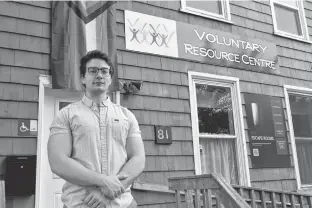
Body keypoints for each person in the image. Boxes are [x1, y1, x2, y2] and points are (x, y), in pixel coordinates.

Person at [47, 50, 145, 208]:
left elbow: (138, 159)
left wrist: (107, 192)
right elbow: (58, 162)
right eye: (92, 71)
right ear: (83, 78)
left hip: (123, 204)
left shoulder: (127, 116)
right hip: (81, 204)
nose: (99, 75)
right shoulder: (66, 115)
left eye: (104, 71)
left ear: (110, 78)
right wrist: (103, 181)